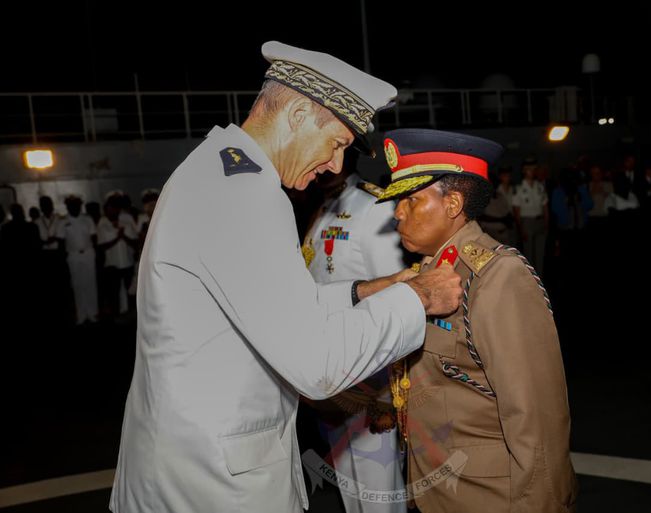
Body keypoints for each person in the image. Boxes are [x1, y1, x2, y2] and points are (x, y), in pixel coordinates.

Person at [110, 41, 462, 513]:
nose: (337, 165)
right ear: (297, 115)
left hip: (190, 461)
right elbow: (317, 365)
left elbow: (272, 305)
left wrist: (368, 290)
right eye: (337, 143)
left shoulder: (220, 172)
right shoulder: (243, 195)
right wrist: (417, 298)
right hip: (212, 483)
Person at [376, 129, 577, 513]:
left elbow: (535, 415)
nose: (398, 212)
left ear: (452, 204)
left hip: (487, 496)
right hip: (438, 487)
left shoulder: (497, 277)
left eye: (411, 199)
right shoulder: (428, 272)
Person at [303, 156, 407, 513]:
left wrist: (386, 394)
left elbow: (395, 299)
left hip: (369, 376)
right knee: (350, 484)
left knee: (378, 490)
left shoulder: (373, 206)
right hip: (333, 373)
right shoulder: (323, 207)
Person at [56, 196, 98, 325]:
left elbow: (94, 237)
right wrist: (63, 258)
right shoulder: (62, 221)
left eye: (77, 205)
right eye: (71, 205)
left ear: (80, 206)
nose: (74, 207)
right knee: (77, 284)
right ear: (67, 207)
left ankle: (93, 313)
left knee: (90, 283)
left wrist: (96, 253)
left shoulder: (87, 219)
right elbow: (60, 241)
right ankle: (81, 314)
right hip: (73, 255)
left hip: (88, 253)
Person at [97, 193, 137, 318]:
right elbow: (101, 246)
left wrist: (123, 236)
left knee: (131, 291)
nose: (112, 211)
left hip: (128, 262)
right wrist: (117, 238)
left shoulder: (127, 219)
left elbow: (135, 242)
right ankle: (116, 316)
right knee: (114, 292)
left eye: (114, 207)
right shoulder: (102, 222)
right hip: (112, 264)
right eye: (109, 208)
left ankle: (132, 316)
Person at [512, 156, 549, 274]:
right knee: (529, 254)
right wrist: (521, 228)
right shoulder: (519, 188)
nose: (531, 171)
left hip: (540, 221)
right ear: (524, 171)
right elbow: (516, 211)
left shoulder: (540, 186)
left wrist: (546, 224)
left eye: (533, 169)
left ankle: (540, 278)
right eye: (529, 169)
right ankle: (530, 278)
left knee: (540, 253)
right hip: (527, 222)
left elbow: (545, 207)